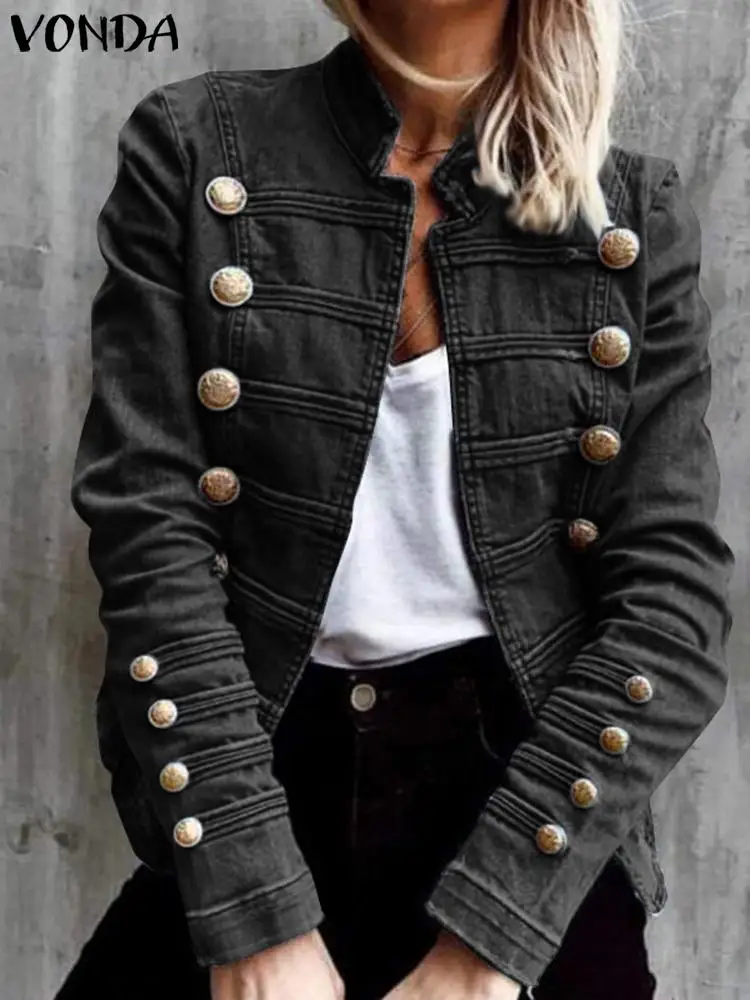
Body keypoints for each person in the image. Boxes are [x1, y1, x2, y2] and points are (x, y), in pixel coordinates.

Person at [57, 1, 735, 999]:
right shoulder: (196, 149)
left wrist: (489, 947)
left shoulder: (627, 212)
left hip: (531, 792)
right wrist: (254, 919)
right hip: (249, 768)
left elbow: (674, 604)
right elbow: (148, 534)